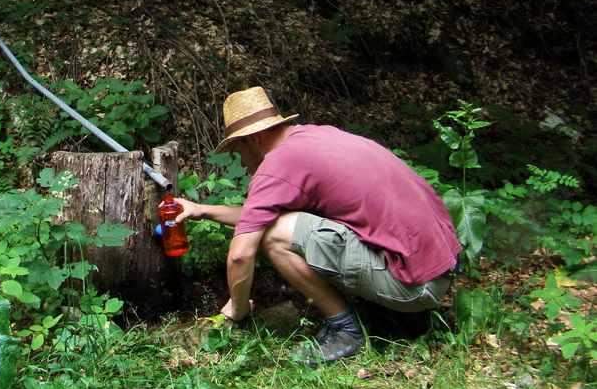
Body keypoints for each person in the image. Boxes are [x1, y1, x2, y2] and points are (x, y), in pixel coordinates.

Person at [169, 87, 462, 367]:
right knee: (281, 225)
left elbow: (241, 254)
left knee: (273, 235)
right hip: (439, 266)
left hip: (415, 287)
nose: (242, 162)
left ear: (253, 140)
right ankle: (394, 313)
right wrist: (202, 210)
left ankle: (346, 329)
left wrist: (238, 306)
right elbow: (258, 215)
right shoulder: (313, 138)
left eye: (237, 150)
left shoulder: (277, 164)